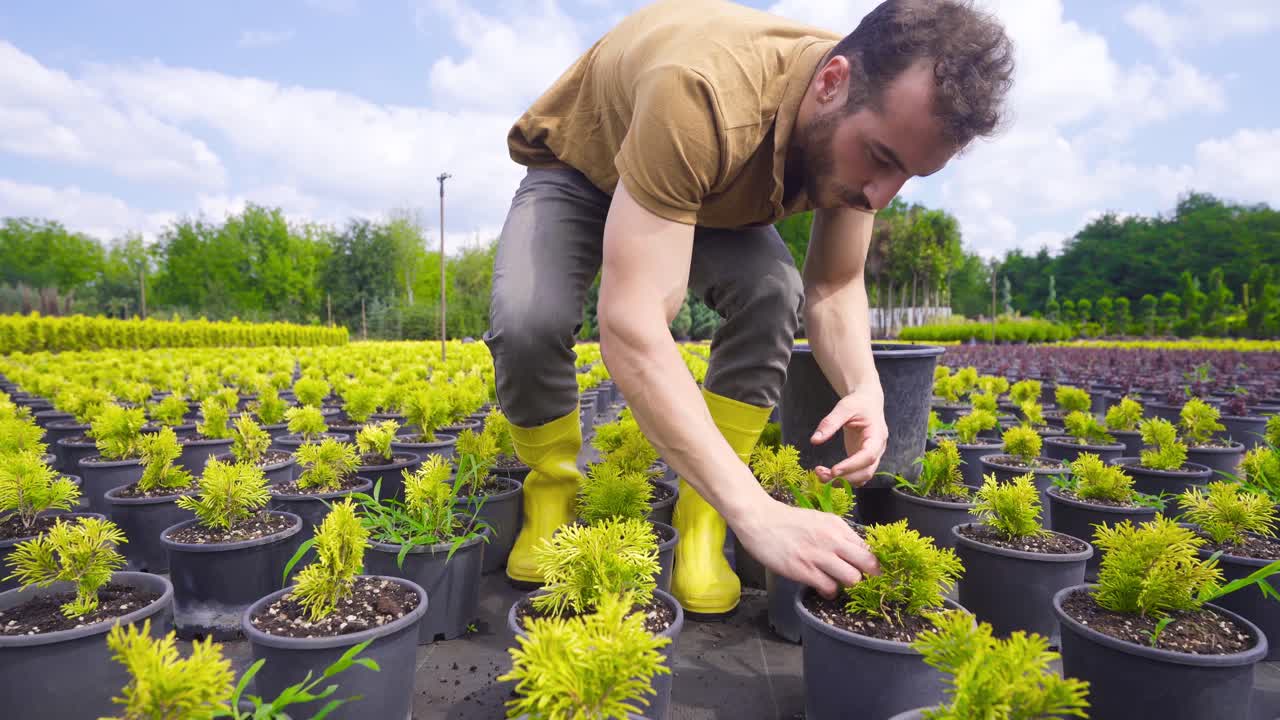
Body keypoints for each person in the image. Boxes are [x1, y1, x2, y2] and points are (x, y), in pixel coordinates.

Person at [484, 0, 1014, 618]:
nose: (881, 194)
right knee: (527, 317)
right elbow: (632, 329)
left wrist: (865, 385)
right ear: (832, 82)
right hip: (585, 167)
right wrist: (756, 510)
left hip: (703, 189)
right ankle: (552, 488)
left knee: (772, 293)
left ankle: (702, 513)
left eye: (910, 176)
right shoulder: (704, 92)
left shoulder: (866, 129)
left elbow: (835, 285)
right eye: (882, 159)